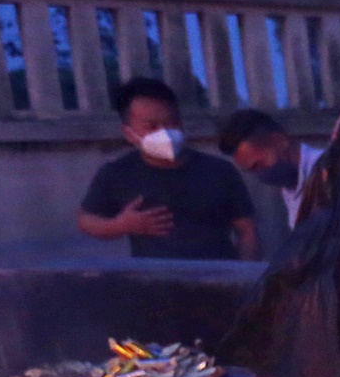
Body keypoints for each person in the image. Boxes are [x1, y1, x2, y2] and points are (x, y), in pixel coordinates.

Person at [78, 77, 258, 261]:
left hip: (220, 280)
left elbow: (247, 230)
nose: (164, 132)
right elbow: (85, 220)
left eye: (172, 123)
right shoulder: (117, 173)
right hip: (155, 284)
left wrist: (246, 277)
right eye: (152, 126)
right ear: (128, 133)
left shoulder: (219, 171)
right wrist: (120, 225)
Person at [218, 108, 325, 229]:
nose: (258, 175)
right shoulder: (291, 187)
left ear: (279, 141)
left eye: (258, 165)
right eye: (250, 171)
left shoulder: (331, 173)